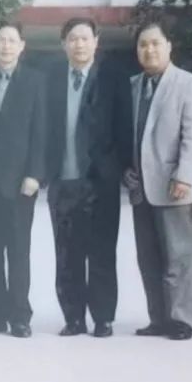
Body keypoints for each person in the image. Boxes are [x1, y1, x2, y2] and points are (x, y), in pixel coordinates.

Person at [119, 20, 192, 341]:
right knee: (149, 257)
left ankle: (181, 320)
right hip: (140, 186)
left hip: (173, 185)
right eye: (143, 45)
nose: (149, 50)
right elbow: (127, 132)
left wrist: (185, 176)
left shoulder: (188, 83)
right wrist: (125, 169)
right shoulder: (133, 85)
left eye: (155, 43)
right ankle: (158, 318)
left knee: (178, 257)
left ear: (169, 46)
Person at [46, 17, 121, 338]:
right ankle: (73, 317)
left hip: (100, 182)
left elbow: (123, 128)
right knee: (67, 254)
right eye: (73, 39)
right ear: (64, 44)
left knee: (101, 252)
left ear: (96, 42)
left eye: (85, 38)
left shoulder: (112, 79)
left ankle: (103, 318)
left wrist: (117, 170)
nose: (79, 44)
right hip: (63, 181)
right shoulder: (51, 79)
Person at [0, 21, 46, 338]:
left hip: (19, 181)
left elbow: (41, 130)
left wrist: (35, 174)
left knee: (18, 248)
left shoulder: (35, 81)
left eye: (12, 40)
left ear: (22, 46)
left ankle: (20, 315)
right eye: (0, 40)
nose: (5, 46)